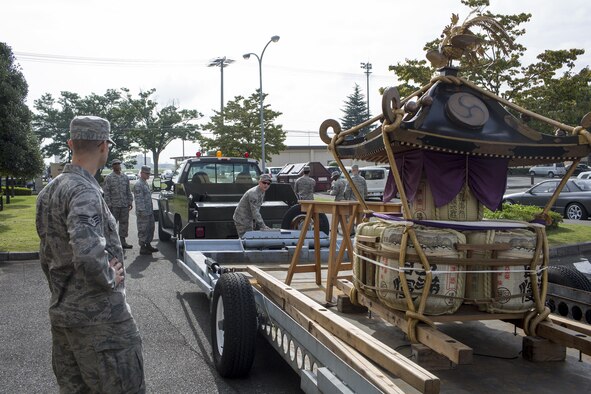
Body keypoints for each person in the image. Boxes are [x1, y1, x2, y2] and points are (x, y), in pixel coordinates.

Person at [35, 115, 145, 393]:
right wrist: (109, 275)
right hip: (101, 322)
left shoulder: (49, 191)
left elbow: (47, 256)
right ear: (104, 146)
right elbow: (86, 253)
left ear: (71, 143)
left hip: (64, 315)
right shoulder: (84, 191)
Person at [103, 158, 134, 248]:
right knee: (112, 224)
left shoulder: (125, 177)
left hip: (124, 205)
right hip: (114, 205)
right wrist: (108, 205)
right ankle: (111, 243)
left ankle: (123, 241)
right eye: (115, 164)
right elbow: (106, 192)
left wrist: (130, 201)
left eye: (118, 164)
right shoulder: (109, 178)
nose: (117, 165)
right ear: (112, 166)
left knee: (124, 224)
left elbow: (128, 190)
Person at [134, 165, 158, 255]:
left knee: (150, 228)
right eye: (147, 173)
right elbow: (139, 200)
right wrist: (142, 211)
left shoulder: (144, 183)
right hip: (143, 212)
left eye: (149, 173)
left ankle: (148, 244)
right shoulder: (139, 184)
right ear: (142, 173)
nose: (148, 175)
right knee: (143, 229)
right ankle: (142, 247)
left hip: (149, 211)